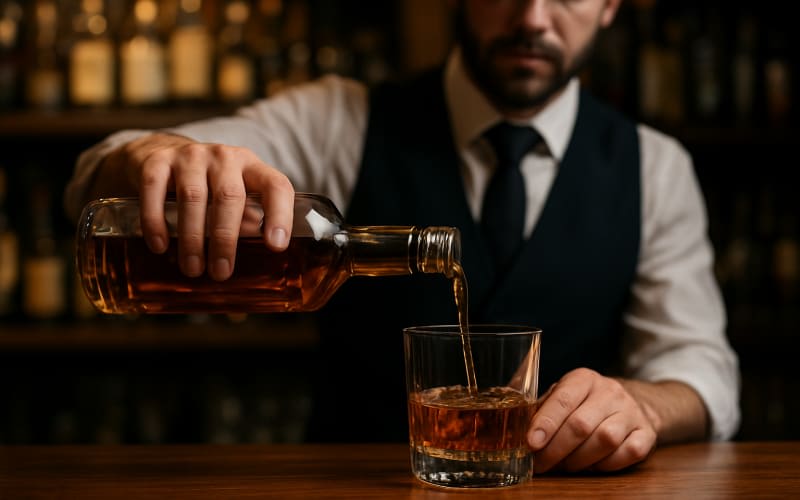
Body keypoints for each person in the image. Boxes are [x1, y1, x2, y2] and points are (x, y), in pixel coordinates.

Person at [65, 0, 739, 473]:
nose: (534, 17)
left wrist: (642, 402)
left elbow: (704, 372)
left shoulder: (656, 165)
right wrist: (149, 156)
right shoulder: (339, 118)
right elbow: (104, 173)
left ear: (612, 4)